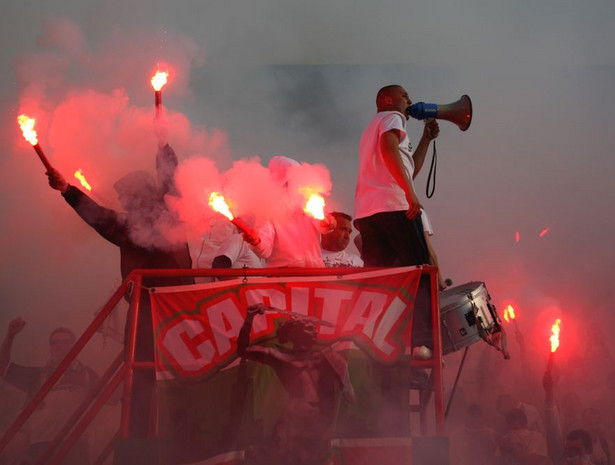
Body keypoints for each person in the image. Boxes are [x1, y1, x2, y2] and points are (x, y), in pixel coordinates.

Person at [46, 142, 194, 438]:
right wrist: (67, 189)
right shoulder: (128, 227)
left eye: (126, 197)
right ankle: (138, 435)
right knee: (139, 377)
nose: (123, 203)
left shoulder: (172, 214)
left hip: (174, 311)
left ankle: (180, 434)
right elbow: (98, 216)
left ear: (142, 195)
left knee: (180, 375)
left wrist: (162, 143)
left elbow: (170, 180)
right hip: (146, 311)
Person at [237, 304, 354, 465]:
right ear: (295, 333)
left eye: (314, 328)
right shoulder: (281, 357)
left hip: (318, 423)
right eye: (309, 328)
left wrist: (346, 387)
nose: (314, 331)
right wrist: (249, 319)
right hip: (294, 421)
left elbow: (347, 385)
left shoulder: (328, 357)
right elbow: (243, 350)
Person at [0, 317, 98, 465]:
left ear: (74, 345)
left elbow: (113, 399)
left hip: (75, 444)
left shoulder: (85, 373)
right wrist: (10, 335)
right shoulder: (37, 375)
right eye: (54, 342)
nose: (59, 345)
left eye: (65, 341)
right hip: (40, 443)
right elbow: (2, 367)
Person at [242, 156, 336, 268]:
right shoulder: (267, 210)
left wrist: (329, 223)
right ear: (280, 184)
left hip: (314, 275)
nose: (297, 185)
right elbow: (265, 251)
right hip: (284, 278)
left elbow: (322, 225)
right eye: (291, 180)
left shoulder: (310, 201)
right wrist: (256, 241)